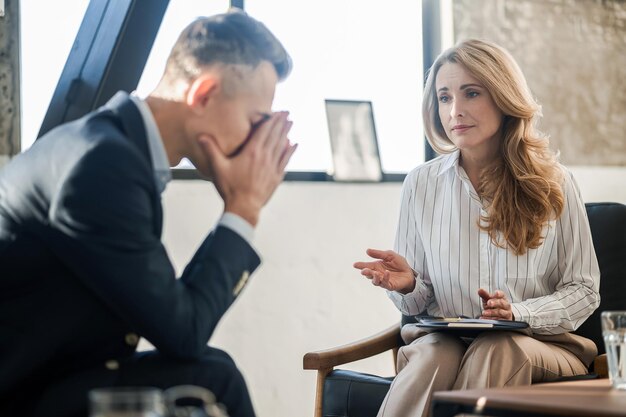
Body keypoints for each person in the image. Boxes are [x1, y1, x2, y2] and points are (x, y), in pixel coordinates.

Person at [0, 9, 296, 417]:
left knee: (214, 371)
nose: (258, 142)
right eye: (255, 121)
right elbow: (184, 332)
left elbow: (176, 322)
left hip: (63, 373)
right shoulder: (102, 165)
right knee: (213, 378)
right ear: (204, 94)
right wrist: (244, 207)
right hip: (24, 394)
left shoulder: (114, 148)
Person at [354, 39, 600, 417]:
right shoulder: (421, 184)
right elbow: (419, 302)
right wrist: (407, 285)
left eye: (471, 93)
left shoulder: (556, 182)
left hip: (541, 346)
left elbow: (583, 290)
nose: (455, 111)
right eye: (445, 97)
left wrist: (518, 314)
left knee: (497, 347)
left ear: (503, 97)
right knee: (433, 354)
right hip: (444, 341)